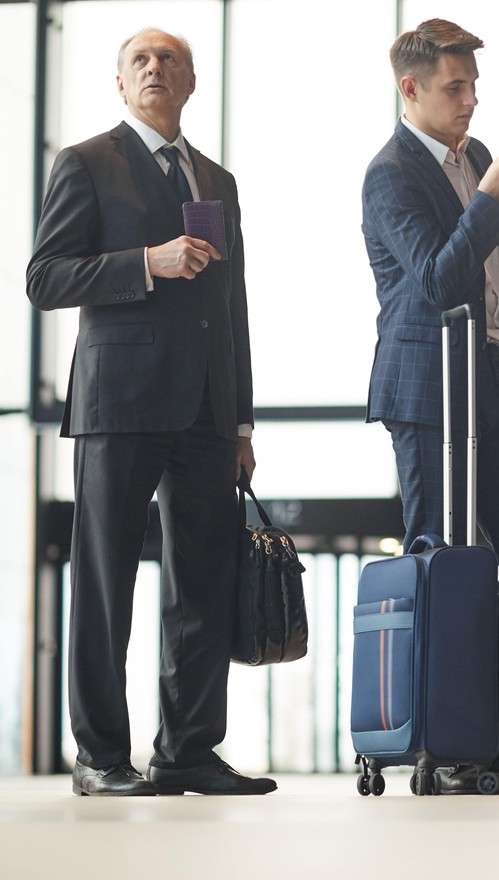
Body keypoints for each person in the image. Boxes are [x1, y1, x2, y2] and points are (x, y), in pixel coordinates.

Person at [27, 28, 274, 796]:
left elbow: (231, 305)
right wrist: (146, 262)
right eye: (141, 60)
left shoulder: (217, 180)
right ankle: (99, 756)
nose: (154, 68)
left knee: (200, 582)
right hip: (120, 403)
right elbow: (45, 277)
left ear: (191, 83)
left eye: (169, 60)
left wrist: (240, 422)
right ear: (121, 83)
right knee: (105, 585)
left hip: (204, 410)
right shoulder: (87, 163)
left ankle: (188, 751)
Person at [361, 19, 499, 794]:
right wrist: (490, 195)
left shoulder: (477, 159)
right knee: (440, 563)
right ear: (411, 88)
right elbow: (435, 280)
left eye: (473, 85)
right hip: (429, 389)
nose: (471, 99)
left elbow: (493, 277)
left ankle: (492, 739)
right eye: (455, 87)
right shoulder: (390, 172)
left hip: (489, 377)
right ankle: (445, 744)